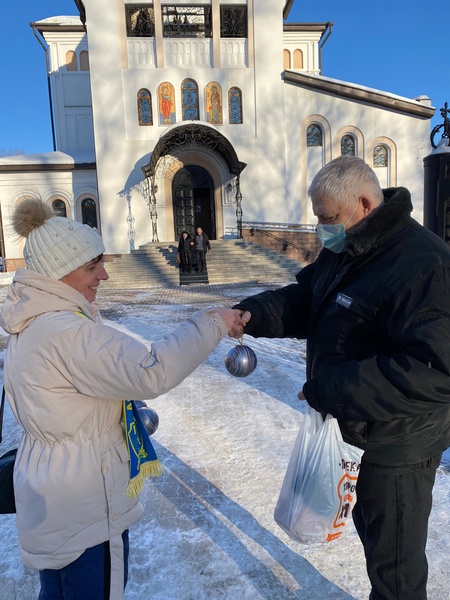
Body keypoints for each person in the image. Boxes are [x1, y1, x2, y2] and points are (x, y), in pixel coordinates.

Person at [0, 198, 245, 600]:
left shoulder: (32, 322)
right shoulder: (68, 331)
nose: (105, 274)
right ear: (62, 270)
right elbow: (150, 370)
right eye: (92, 265)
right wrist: (212, 323)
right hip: (86, 501)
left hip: (50, 493)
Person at [232, 156, 450, 600]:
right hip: (358, 432)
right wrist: (253, 313)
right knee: (376, 546)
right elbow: (308, 298)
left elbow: (435, 371)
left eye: (327, 218)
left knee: (396, 570)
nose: (320, 229)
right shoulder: (346, 247)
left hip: (399, 444)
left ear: (365, 204)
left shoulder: (424, 265)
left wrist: (328, 390)